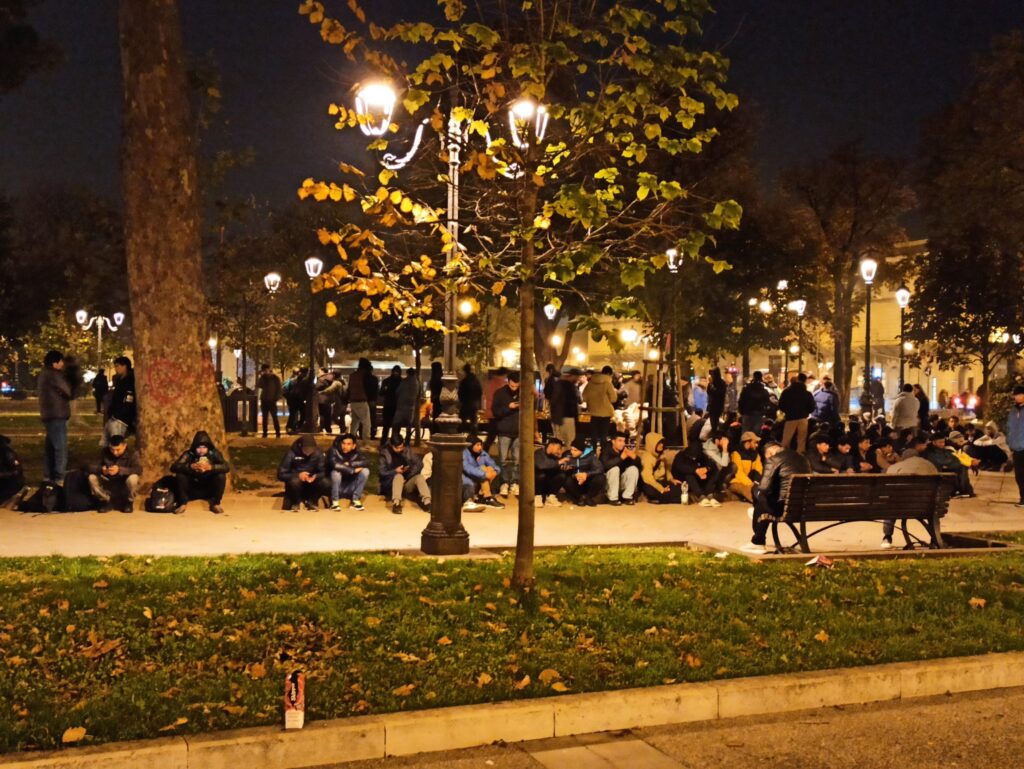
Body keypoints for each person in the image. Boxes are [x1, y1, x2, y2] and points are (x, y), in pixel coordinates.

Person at [742, 441, 811, 554]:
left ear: (769, 453)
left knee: (759, 493)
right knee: (765, 498)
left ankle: (758, 541)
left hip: (782, 508)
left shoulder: (773, 460)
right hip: (803, 506)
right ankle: (757, 514)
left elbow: (763, 488)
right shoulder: (802, 458)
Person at [880, 447, 938, 548]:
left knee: (891, 504)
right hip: (926, 506)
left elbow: (888, 488)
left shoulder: (895, 468)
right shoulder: (930, 466)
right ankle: (935, 539)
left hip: (901, 506)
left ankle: (887, 537)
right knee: (932, 511)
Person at [170, 430, 229, 514]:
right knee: (180, 475)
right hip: (192, 488)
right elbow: (174, 467)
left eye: (204, 447)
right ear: (194, 448)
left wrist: (211, 467)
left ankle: (216, 503)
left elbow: (226, 466)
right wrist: (189, 466)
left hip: (208, 488)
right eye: (198, 447)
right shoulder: (189, 454)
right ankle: (182, 503)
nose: (201, 450)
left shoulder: (214, 454)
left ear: (208, 448)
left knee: (221, 475)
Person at [38, 350, 72, 485]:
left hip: (48, 414)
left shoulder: (43, 375)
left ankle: (47, 476)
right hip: (57, 414)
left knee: (50, 447)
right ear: (55, 363)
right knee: (60, 448)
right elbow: (67, 391)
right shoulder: (54, 375)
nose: (63, 364)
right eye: (61, 361)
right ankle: (59, 477)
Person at [88, 435, 141, 513]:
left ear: (124, 446)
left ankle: (129, 502)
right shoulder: (104, 452)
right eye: (112, 449)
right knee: (92, 477)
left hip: (124, 482)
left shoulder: (133, 454)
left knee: (133, 478)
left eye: (118, 450)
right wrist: (102, 469)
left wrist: (120, 470)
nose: (115, 452)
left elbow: (138, 469)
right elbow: (89, 466)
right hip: (108, 481)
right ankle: (105, 501)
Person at [379, 434, 430, 514]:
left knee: (419, 477)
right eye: (397, 448)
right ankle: (396, 504)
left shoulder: (407, 451)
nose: (400, 449)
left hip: (406, 482)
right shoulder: (385, 454)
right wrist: (395, 471)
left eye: (401, 447)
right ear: (392, 446)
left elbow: (419, 463)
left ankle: (427, 502)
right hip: (391, 484)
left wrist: (409, 474)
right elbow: (382, 472)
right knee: (398, 476)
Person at [277, 434, 330, 512]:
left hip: (312, 483)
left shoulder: (318, 454)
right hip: (296, 483)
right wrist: (298, 475)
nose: (308, 453)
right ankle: (295, 502)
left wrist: (316, 476)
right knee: (294, 482)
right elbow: (281, 474)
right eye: (306, 450)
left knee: (326, 482)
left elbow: (324, 471)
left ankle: (312, 501)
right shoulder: (291, 453)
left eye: (311, 450)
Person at [490, 371, 521, 497]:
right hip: (504, 430)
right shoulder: (500, 393)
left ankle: (514, 482)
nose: (515, 388)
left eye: (517, 386)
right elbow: (495, 411)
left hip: (519, 431)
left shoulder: (523, 394)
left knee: (517, 460)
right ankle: (504, 482)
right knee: (503, 459)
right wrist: (509, 407)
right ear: (508, 382)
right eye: (513, 385)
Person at [922, 433, 974, 498]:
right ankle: (964, 490)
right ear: (934, 442)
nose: (942, 444)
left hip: (945, 467)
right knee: (961, 467)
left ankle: (964, 490)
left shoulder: (943, 449)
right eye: (940, 442)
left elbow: (952, 457)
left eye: (943, 442)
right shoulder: (931, 451)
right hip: (937, 470)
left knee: (962, 466)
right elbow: (941, 461)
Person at [671, 439, 720, 507]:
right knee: (689, 475)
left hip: (699, 478)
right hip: (684, 480)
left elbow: (711, 464)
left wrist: (706, 469)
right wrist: (696, 471)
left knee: (714, 471)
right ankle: (701, 497)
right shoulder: (681, 456)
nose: (694, 458)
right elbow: (680, 467)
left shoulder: (701, 455)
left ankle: (710, 495)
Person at [328, 433, 370, 510]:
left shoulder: (357, 452)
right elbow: (335, 465)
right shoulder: (334, 450)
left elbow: (366, 462)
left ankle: (356, 500)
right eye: (343, 443)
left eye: (348, 444)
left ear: (353, 446)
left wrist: (350, 463)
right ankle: (335, 502)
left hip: (351, 486)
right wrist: (352, 470)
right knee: (335, 472)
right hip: (337, 487)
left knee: (365, 471)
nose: (345, 446)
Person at [639, 432, 683, 504]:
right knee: (652, 492)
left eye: (662, 443)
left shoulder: (661, 456)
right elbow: (648, 478)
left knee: (680, 488)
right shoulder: (647, 458)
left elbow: (667, 471)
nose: (662, 445)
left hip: (662, 482)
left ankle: (661, 499)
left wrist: (672, 480)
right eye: (659, 443)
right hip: (652, 484)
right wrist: (661, 489)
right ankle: (663, 498)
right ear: (652, 445)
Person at [103, 356, 136, 447]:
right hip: (114, 415)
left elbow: (129, 400)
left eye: (117, 366)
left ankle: (117, 460)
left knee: (116, 444)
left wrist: (120, 415)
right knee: (107, 443)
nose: (116, 368)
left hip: (121, 418)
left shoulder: (129, 380)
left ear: (125, 366)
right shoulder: (120, 379)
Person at [778, 373, 815, 454]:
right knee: (801, 441)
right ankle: (800, 457)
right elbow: (812, 407)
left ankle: (783, 456)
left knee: (786, 439)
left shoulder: (787, 392)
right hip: (803, 418)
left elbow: (781, 405)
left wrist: (787, 411)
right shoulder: (807, 393)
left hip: (790, 418)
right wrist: (806, 412)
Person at [462, 435, 503, 509]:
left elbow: (494, 465)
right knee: (483, 468)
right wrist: (484, 474)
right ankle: (486, 497)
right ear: (471, 445)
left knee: (490, 468)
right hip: (467, 476)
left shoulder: (482, 453)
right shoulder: (464, 453)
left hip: (480, 478)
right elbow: (467, 468)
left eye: (481, 445)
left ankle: (483, 496)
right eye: (477, 445)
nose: (480, 447)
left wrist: (495, 472)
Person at [562, 438, 604, 506]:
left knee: (600, 477)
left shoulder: (590, 456)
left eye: (575, 450)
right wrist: (574, 474)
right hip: (575, 482)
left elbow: (600, 468)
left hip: (587, 481)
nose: (572, 452)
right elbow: (561, 467)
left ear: (582, 451)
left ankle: (587, 497)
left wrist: (586, 474)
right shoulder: (567, 455)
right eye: (571, 449)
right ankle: (580, 498)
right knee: (564, 479)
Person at [602, 432, 640, 505]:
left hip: (620, 483)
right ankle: (613, 498)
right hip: (608, 484)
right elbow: (604, 466)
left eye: (624, 441)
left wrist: (634, 457)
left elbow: (639, 465)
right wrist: (621, 458)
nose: (622, 443)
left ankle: (627, 497)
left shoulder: (624, 450)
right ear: (613, 441)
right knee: (615, 469)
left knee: (633, 469)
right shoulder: (606, 450)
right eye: (620, 441)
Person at [583, 365, 618, 446]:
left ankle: (593, 452)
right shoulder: (608, 383)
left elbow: (584, 397)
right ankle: (603, 453)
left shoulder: (591, 382)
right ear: (609, 374)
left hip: (593, 412)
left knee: (593, 435)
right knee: (603, 435)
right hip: (605, 413)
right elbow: (614, 399)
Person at [548, 369, 580, 447]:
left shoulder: (557, 384)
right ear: (573, 376)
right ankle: (565, 456)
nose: (578, 379)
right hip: (567, 416)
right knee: (569, 440)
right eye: (577, 377)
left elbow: (552, 400)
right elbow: (574, 401)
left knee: (560, 440)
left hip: (557, 417)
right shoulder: (568, 386)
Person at [729, 431, 763, 503]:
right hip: (737, 482)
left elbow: (759, 470)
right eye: (755, 442)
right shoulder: (736, 453)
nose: (757, 445)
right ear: (747, 442)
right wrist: (750, 484)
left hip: (751, 482)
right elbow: (738, 473)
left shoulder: (756, 455)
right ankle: (760, 503)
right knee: (748, 489)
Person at [534, 437, 567, 508]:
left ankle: (551, 497)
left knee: (562, 475)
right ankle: (537, 498)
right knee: (541, 475)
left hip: (548, 483)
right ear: (551, 445)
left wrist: (564, 466)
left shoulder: (555, 456)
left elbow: (557, 467)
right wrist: (558, 462)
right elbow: (541, 465)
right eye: (558, 448)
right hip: (537, 485)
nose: (559, 451)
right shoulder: (538, 453)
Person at [739, 371, 772, 435]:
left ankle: (744, 444)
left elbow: (741, 401)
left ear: (753, 377)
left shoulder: (747, 388)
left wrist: (742, 411)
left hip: (747, 412)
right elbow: (767, 402)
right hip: (759, 414)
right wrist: (764, 411)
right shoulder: (764, 390)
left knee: (746, 432)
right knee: (756, 433)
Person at [348, 359, 373, 440]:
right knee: (367, 423)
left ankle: (351, 439)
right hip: (362, 400)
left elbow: (349, 389)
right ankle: (366, 441)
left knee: (355, 423)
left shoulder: (352, 375)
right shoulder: (365, 375)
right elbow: (368, 388)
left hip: (353, 401)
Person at [392, 368, 420, 443]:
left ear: (408, 373)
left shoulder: (404, 381)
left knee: (396, 424)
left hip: (401, 406)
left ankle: (396, 439)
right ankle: (407, 441)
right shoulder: (417, 383)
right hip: (411, 407)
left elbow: (397, 392)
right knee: (409, 425)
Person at [1007, 385, 1024, 508]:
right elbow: (1010, 427)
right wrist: (1010, 441)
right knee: (1019, 475)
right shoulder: (1013, 410)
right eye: (1015, 394)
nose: (1016, 397)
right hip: (1016, 447)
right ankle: (1022, 497)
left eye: (1019, 394)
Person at [378, 365, 403, 445]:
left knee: (387, 425)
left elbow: (381, 393)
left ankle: (384, 441)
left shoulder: (387, 381)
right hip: (396, 406)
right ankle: (394, 441)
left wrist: (386, 390)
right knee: (394, 426)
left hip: (389, 405)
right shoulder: (401, 382)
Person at [257, 364, 283, 439]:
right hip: (264, 400)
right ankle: (265, 433)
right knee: (264, 418)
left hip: (272, 401)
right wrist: (261, 376)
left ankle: (278, 433)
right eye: (263, 371)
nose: (265, 372)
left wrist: (276, 398)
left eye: (266, 370)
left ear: (269, 369)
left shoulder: (275, 378)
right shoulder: (263, 378)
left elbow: (279, 389)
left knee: (275, 417)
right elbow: (259, 385)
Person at [0, 435, 25, 506]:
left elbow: (17, 471)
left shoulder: (8, 454)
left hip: (10, 481)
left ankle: (10, 498)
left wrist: (2, 475)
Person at [316, 370, 344, 434]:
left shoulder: (322, 380)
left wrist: (320, 393)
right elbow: (330, 390)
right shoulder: (329, 381)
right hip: (326, 401)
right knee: (328, 415)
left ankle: (323, 428)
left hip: (323, 401)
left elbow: (330, 389)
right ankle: (327, 428)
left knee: (325, 415)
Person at [458, 363, 483, 433]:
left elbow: (460, 393)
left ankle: (460, 434)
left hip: (466, 403)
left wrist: (462, 401)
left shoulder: (465, 381)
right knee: (474, 420)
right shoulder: (476, 380)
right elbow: (480, 392)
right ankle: (474, 435)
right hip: (475, 404)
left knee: (461, 420)